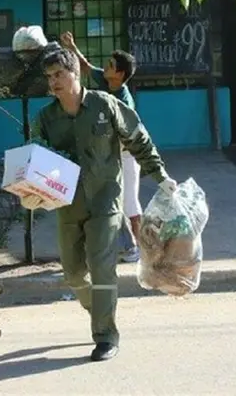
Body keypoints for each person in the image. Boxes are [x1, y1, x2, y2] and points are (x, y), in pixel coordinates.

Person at [24, 45, 177, 362]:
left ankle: (106, 336)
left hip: (106, 201)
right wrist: (30, 189)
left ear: (75, 72)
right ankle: (100, 309)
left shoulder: (105, 105)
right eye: (49, 76)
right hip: (68, 206)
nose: (54, 82)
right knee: (74, 274)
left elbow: (139, 140)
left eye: (59, 74)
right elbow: (34, 158)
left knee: (102, 269)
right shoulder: (45, 119)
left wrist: (161, 178)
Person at [59, 31, 142, 263]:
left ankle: (140, 249)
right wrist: (72, 45)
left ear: (120, 74)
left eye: (110, 65)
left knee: (130, 204)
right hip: (109, 156)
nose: (105, 67)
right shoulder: (106, 82)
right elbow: (85, 67)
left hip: (125, 156)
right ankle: (123, 247)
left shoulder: (124, 100)